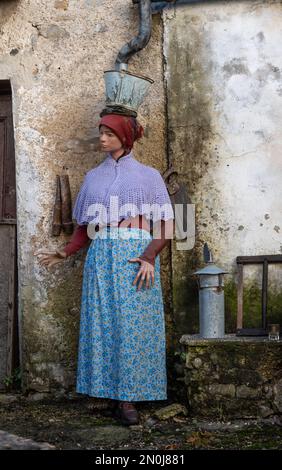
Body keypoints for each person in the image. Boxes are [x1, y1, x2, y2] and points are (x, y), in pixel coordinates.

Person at [35, 114, 174, 426]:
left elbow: (166, 226)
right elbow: (85, 228)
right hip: (101, 257)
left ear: (125, 137)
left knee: (134, 325)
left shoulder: (149, 177)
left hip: (137, 258)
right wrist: (65, 251)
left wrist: (150, 255)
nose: (102, 138)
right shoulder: (92, 178)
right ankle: (107, 391)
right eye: (101, 133)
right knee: (103, 323)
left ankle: (129, 399)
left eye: (109, 133)